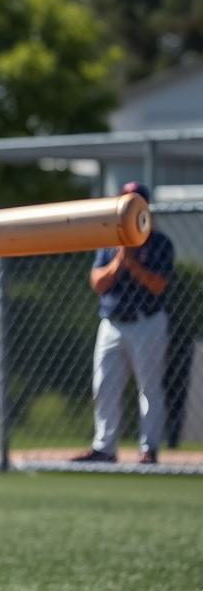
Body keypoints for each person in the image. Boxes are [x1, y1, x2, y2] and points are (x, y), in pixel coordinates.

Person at [74, 181, 174, 466]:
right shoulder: (110, 241)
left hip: (147, 322)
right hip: (113, 322)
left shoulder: (158, 242)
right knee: (104, 385)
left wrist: (132, 263)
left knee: (149, 387)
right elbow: (97, 282)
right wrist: (119, 261)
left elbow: (158, 285)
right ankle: (104, 447)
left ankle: (148, 449)